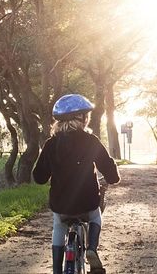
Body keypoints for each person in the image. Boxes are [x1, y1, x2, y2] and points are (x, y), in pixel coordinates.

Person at [33, 94, 120, 274]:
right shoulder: (91, 141)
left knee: (59, 225)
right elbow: (111, 173)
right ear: (81, 118)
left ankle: (57, 269)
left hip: (61, 205)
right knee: (95, 217)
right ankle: (91, 249)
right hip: (87, 203)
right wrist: (112, 176)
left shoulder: (51, 144)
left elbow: (39, 177)